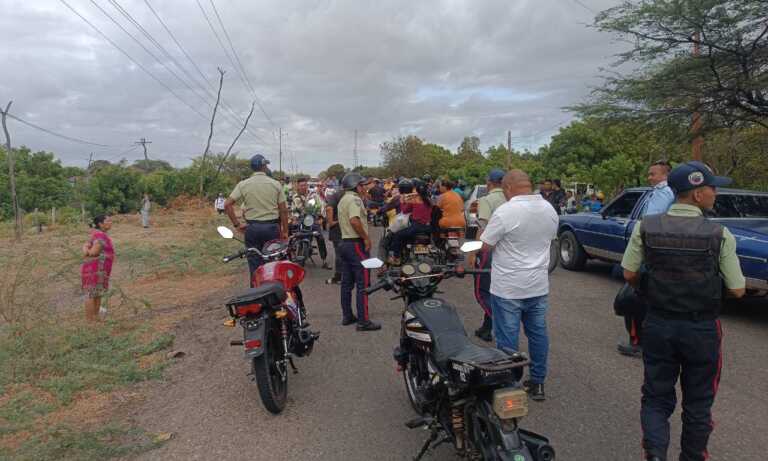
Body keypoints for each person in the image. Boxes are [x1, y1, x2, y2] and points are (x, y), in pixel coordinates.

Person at [621, 161, 745, 461]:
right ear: (698, 194)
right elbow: (738, 289)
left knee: (655, 397)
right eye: (712, 188)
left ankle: (654, 455)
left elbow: (628, 273)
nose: (716, 193)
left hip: (659, 324)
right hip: (701, 329)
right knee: (699, 402)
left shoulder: (646, 226)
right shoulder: (720, 234)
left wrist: (653, 286)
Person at [480, 170, 558, 401]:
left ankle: (509, 387)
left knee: (507, 339)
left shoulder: (506, 211)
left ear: (507, 188)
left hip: (508, 287)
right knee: (538, 334)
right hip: (538, 285)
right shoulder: (549, 209)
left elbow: (485, 246)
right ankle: (538, 382)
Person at [618, 159, 676, 357]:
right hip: (661, 252)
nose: (649, 177)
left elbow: (648, 223)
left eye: (653, 174)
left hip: (649, 252)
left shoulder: (663, 192)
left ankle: (638, 343)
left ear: (665, 175)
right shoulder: (667, 192)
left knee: (635, 297)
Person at [224, 154, 288, 282]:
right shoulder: (275, 184)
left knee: (254, 266)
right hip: (271, 228)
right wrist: (285, 231)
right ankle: (275, 292)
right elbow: (283, 210)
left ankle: (257, 293)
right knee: (273, 263)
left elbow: (227, 204)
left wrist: (237, 225)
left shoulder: (243, 184)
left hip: (252, 229)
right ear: (264, 166)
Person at [337, 172, 381, 331]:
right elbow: (354, 220)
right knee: (363, 283)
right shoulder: (354, 199)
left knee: (347, 283)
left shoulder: (343, 199)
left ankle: (347, 315)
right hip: (355, 244)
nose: (365, 188)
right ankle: (363, 321)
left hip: (344, 243)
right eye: (362, 185)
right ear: (356, 186)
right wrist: (366, 238)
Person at [471, 169, 507, 342]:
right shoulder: (510, 198)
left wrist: (474, 252)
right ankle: (487, 327)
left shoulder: (486, 200)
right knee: (496, 289)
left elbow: (482, 227)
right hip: (507, 251)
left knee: (481, 291)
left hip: (489, 251)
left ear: (489, 182)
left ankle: (501, 323)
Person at [388, 180, 433, 265]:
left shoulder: (414, 199)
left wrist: (403, 202)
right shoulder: (429, 200)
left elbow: (404, 211)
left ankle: (396, 258)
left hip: (416, 228)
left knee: (398, 235)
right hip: (428, 229)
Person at [291, 177, 331, 269]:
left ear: (307, 186)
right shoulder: (295, 196)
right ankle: (295, 255)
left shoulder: (313, 195)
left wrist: (321, 217)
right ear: (298, 186)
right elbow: (294, 209)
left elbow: (321, 205)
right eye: (301, 185)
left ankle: (324, 261)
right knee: (296, 236)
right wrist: (294, 217)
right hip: (301, 219)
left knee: (320, 238)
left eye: (305, 185)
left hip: (313, 219)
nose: (303, 187)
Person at [81, 215, 115, 322]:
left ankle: (95, 318)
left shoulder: (95, 235)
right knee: (92, 294)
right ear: (101, 224)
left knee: (97, 293)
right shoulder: (100, 236)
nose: (110, 222)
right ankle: (91, 321)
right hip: (96, 269)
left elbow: (85, 246)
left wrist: (86, 250)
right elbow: (93, 252)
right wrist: (89, 252)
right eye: (108, 221)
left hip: (97, 269)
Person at [324, 187, 345, 285]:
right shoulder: (353, 195)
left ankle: (339, 277)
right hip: (348, 229)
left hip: (338, 229)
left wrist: (331, 222)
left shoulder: (336, 195)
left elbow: (328, 208)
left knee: (340, 254)